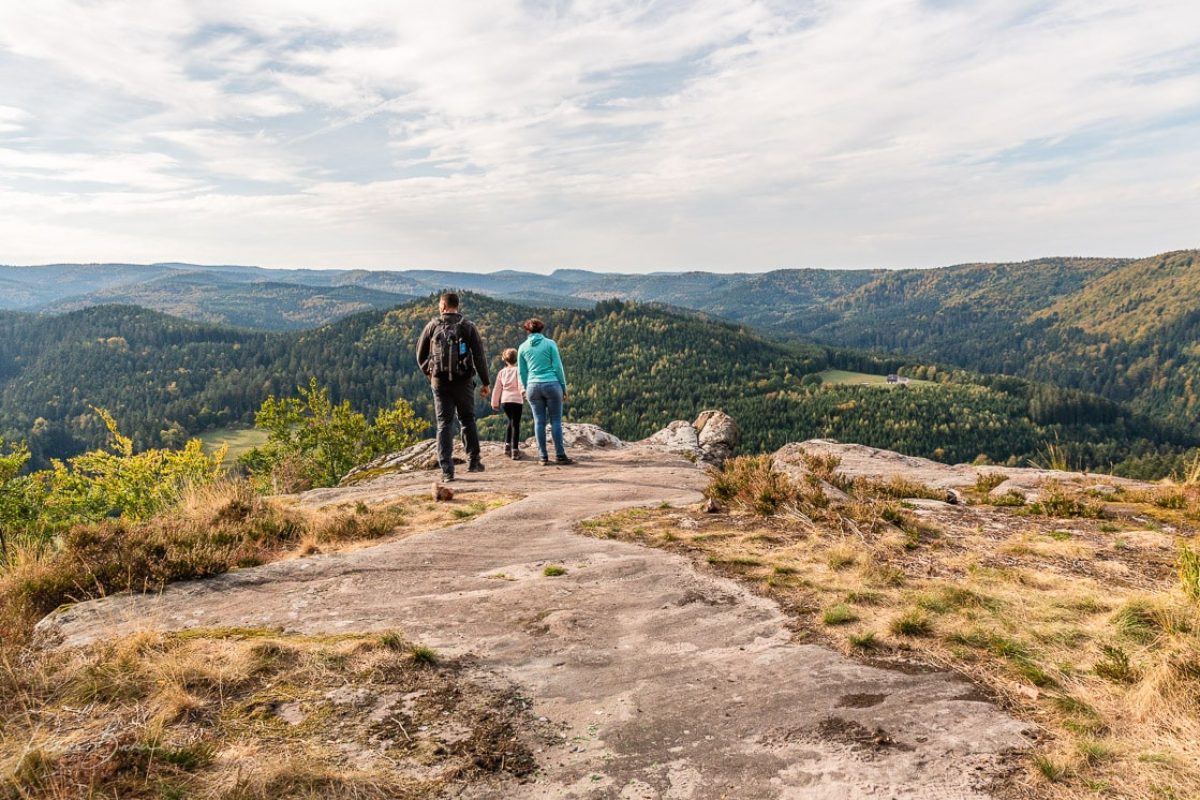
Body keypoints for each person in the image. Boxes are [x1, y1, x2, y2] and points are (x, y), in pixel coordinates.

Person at [416, 292, 490, 482]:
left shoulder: (433, 326)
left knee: (444, 424)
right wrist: (485, 382)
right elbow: (479, 357)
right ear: (457, 306)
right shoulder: (467, 326)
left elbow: (420, 355)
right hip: (463, 380)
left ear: (443, 306)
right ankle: (474, 461)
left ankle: (447, 471)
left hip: (439, 381)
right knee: (467, 419)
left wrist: (429, 372)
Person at [517, 318, 573, 466]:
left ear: (527, 331)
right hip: (552, 384)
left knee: (539, 422)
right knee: (556, 421)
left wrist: (526, 386)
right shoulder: (550, 344)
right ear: (541, 329)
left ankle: (543, 457)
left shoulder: (522, 347)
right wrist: (563, 387)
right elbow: (558, 367)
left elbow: (522, 372)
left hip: (533, 387)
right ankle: (560, 455)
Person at [491, 348, 526, 460]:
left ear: (505, 359)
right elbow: (521, 382)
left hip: (505, 401)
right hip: (516, 400)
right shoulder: (518, 370)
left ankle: (507, 446)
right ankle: (515, 450)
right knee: (516, 424)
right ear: (517, 359)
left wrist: (494, 402)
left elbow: (497, 388)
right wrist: (523, 392)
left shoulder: (502, 372)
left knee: (510, 422)